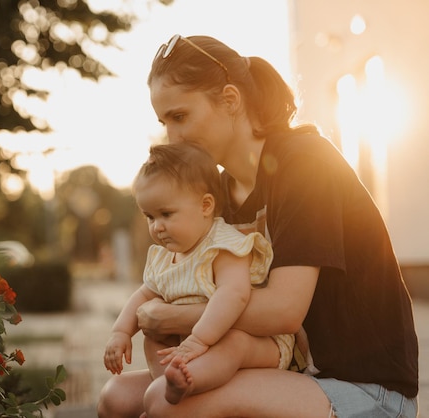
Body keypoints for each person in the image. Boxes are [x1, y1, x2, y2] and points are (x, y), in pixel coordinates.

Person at [97, 35, 419, 418]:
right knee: (116, 397)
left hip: (366, 390)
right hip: (288, 372)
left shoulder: (304, 163)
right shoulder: (217, 193)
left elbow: (283, 311)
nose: (173, 137)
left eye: (180, 117)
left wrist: (174, 317)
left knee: (166, 406)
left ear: (230, 100)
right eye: (165, 122)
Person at [103, 142, 295, 405]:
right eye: (149, 217)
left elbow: (233, 295)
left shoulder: (224, 245)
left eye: (166, 214)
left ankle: (184, 392)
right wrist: (120, 332)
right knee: (153, 341)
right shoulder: (162, 258)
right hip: (193, 346)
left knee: (233, 343)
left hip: (258, 344)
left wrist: (199, 339)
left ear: (205, 206)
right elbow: (143, 295)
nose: (157, 227)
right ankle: (167, 390)